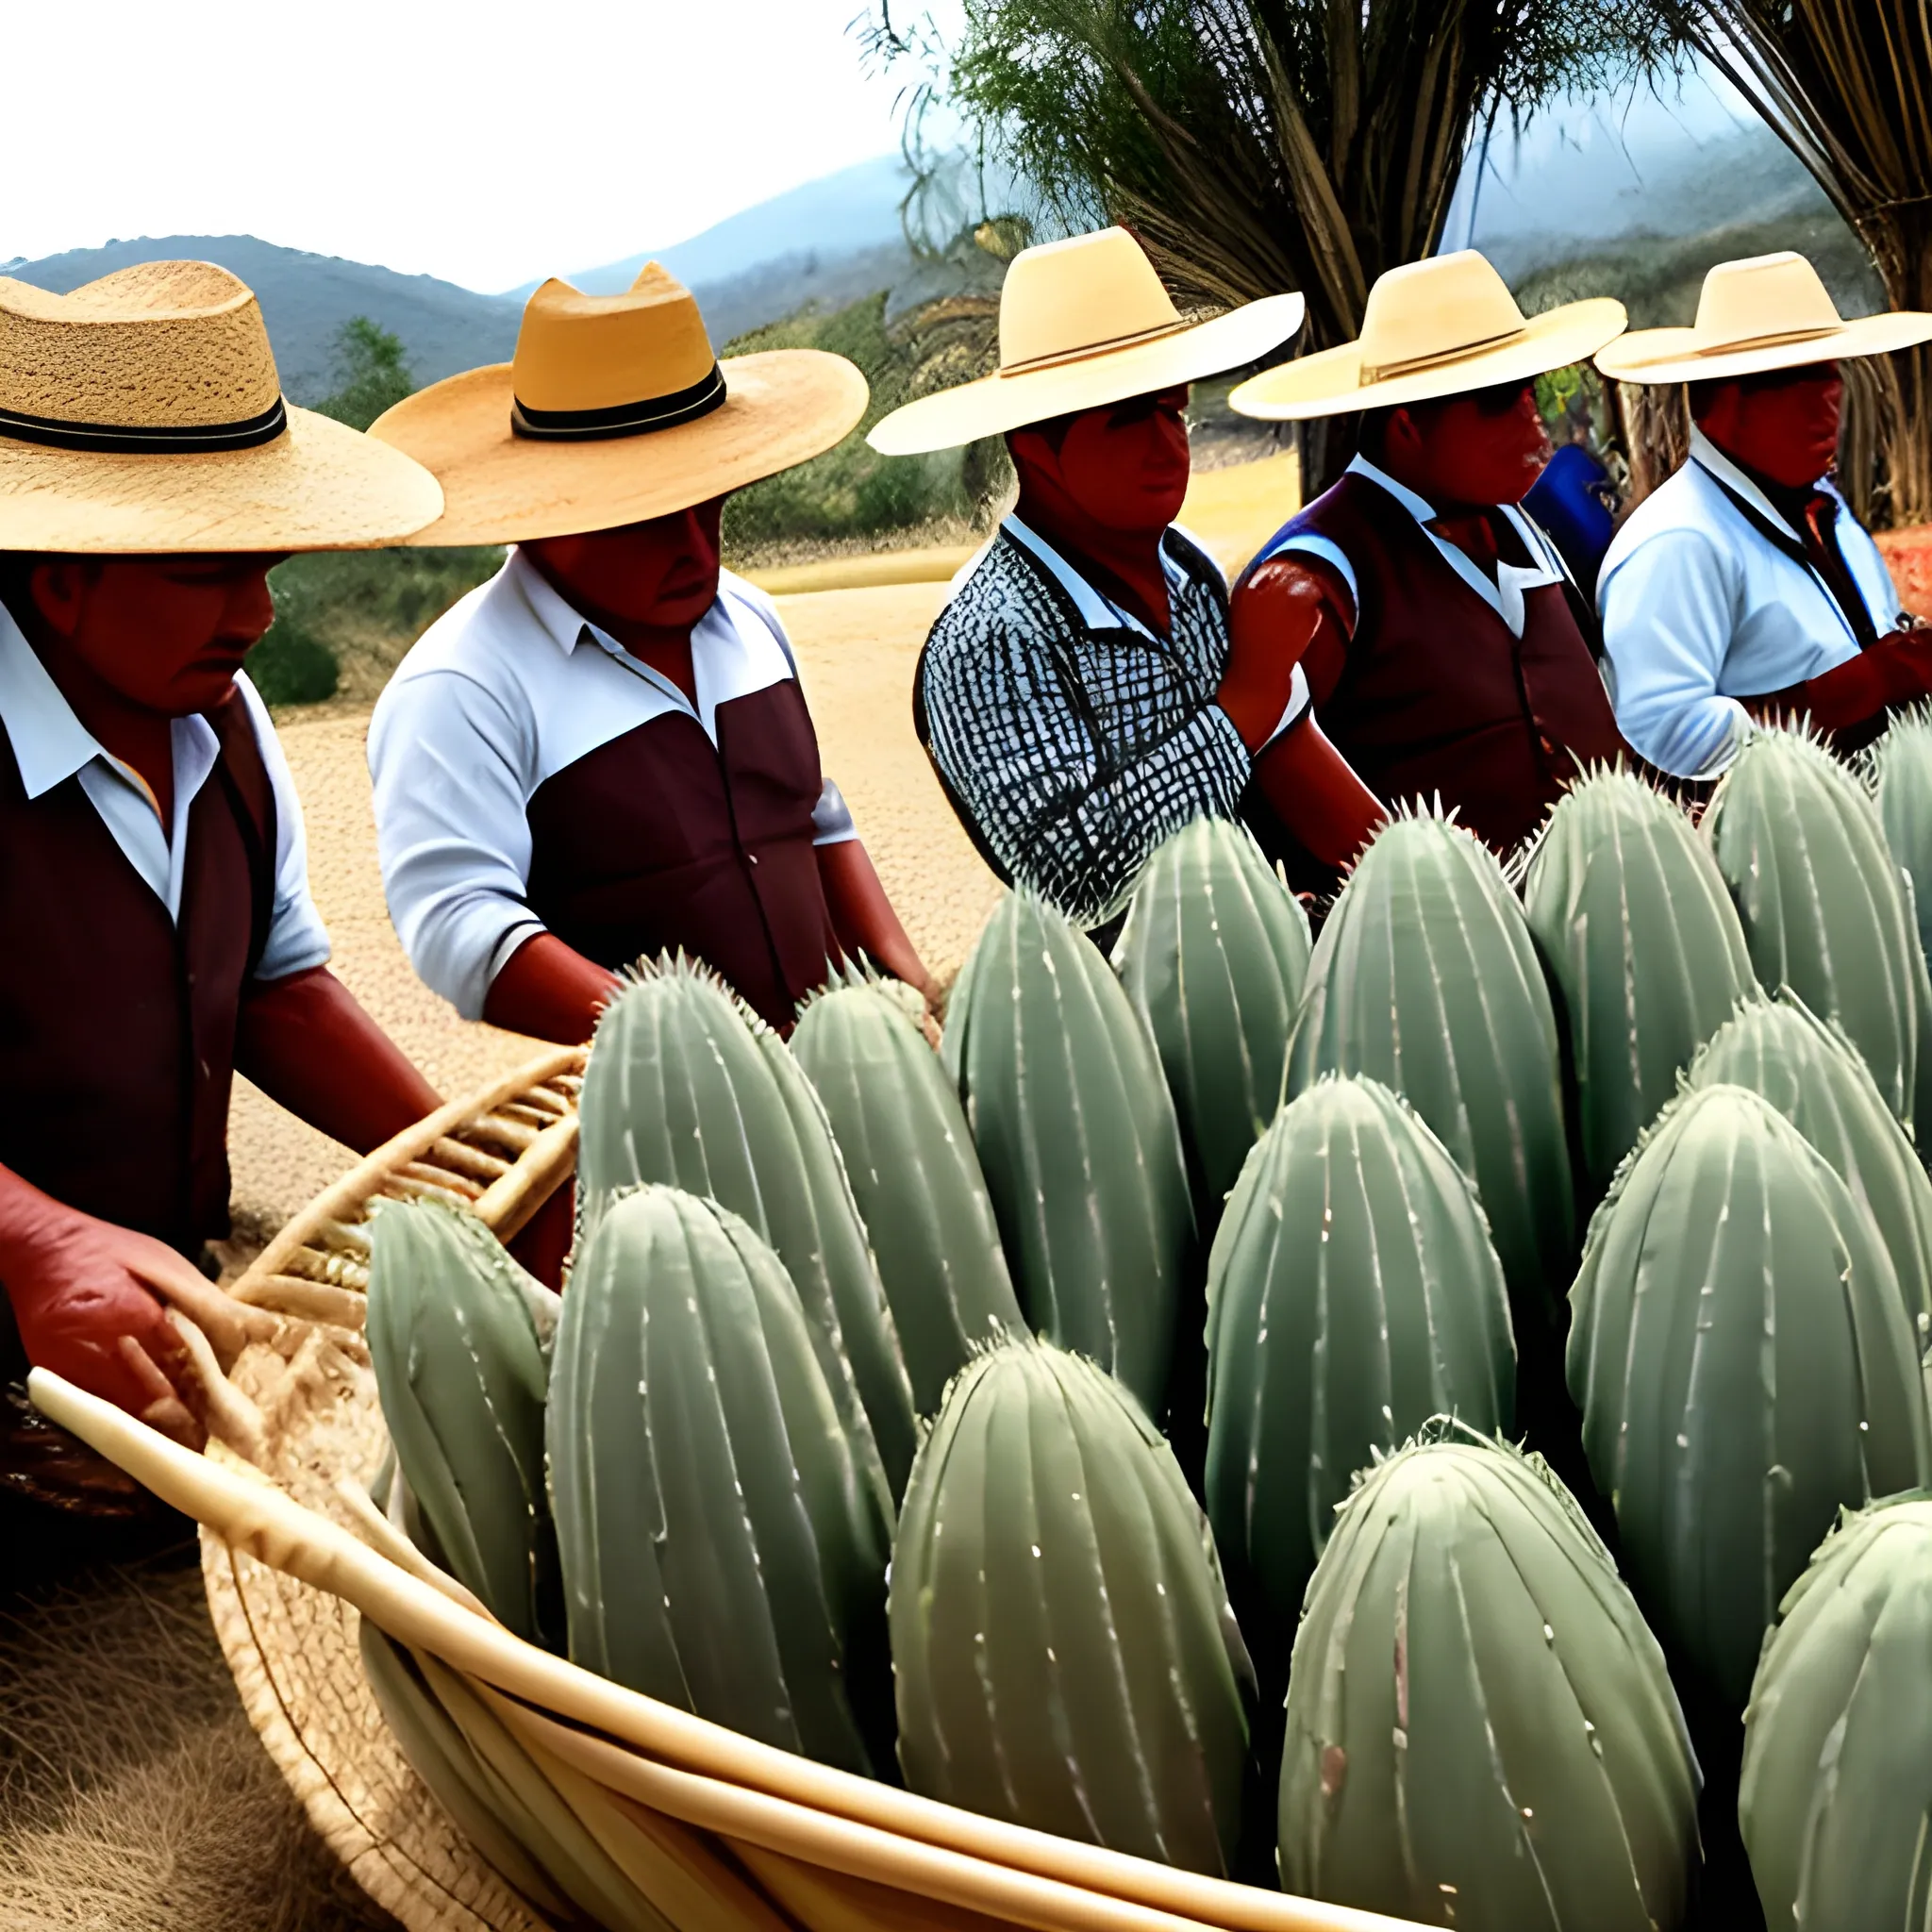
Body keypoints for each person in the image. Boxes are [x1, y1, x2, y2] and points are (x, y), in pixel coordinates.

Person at [0, 260, 446, 1443]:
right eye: (209, 570)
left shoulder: (226, 728)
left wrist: (451, 1174)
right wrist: (33, 1240)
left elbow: (275, 988)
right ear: (61, 583)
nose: (257, 613)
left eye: (268, 565)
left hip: (160, 1301)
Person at [365, 265, 931, 1043]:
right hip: (664, 1137)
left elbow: (817, 819)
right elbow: (462, 929)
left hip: (852, 1085)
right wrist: (685, 1050)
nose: (697, 549)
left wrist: (913, 987)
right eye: (648, 519)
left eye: (712, 506)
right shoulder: (463, 686)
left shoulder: (752, 620)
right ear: (546, 509)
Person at [865, 225, 1379, 931]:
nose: (1167, 444)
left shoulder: (1190, 570)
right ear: (1035, 448)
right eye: (1127, 420)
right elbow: (1072, 879)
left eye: (1173, 411)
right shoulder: (989, 637)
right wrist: (1243, 701)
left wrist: (1420, 875)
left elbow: (1294, 761)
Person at [1226, 251, 1632, 852]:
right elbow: (1266, 780)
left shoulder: (1520, 523)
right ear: (1409, 424)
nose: (1534, 419)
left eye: (1530, 390)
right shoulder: (1318, 573)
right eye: (1499, 399)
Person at [1594, 251, 1932, 778]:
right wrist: (1872, 681)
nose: (1829, 400)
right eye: (1798, 381)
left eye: (1831, 375)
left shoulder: (1823, 506)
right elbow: (1663, 739)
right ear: (1721, 401)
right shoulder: (1676, 542)